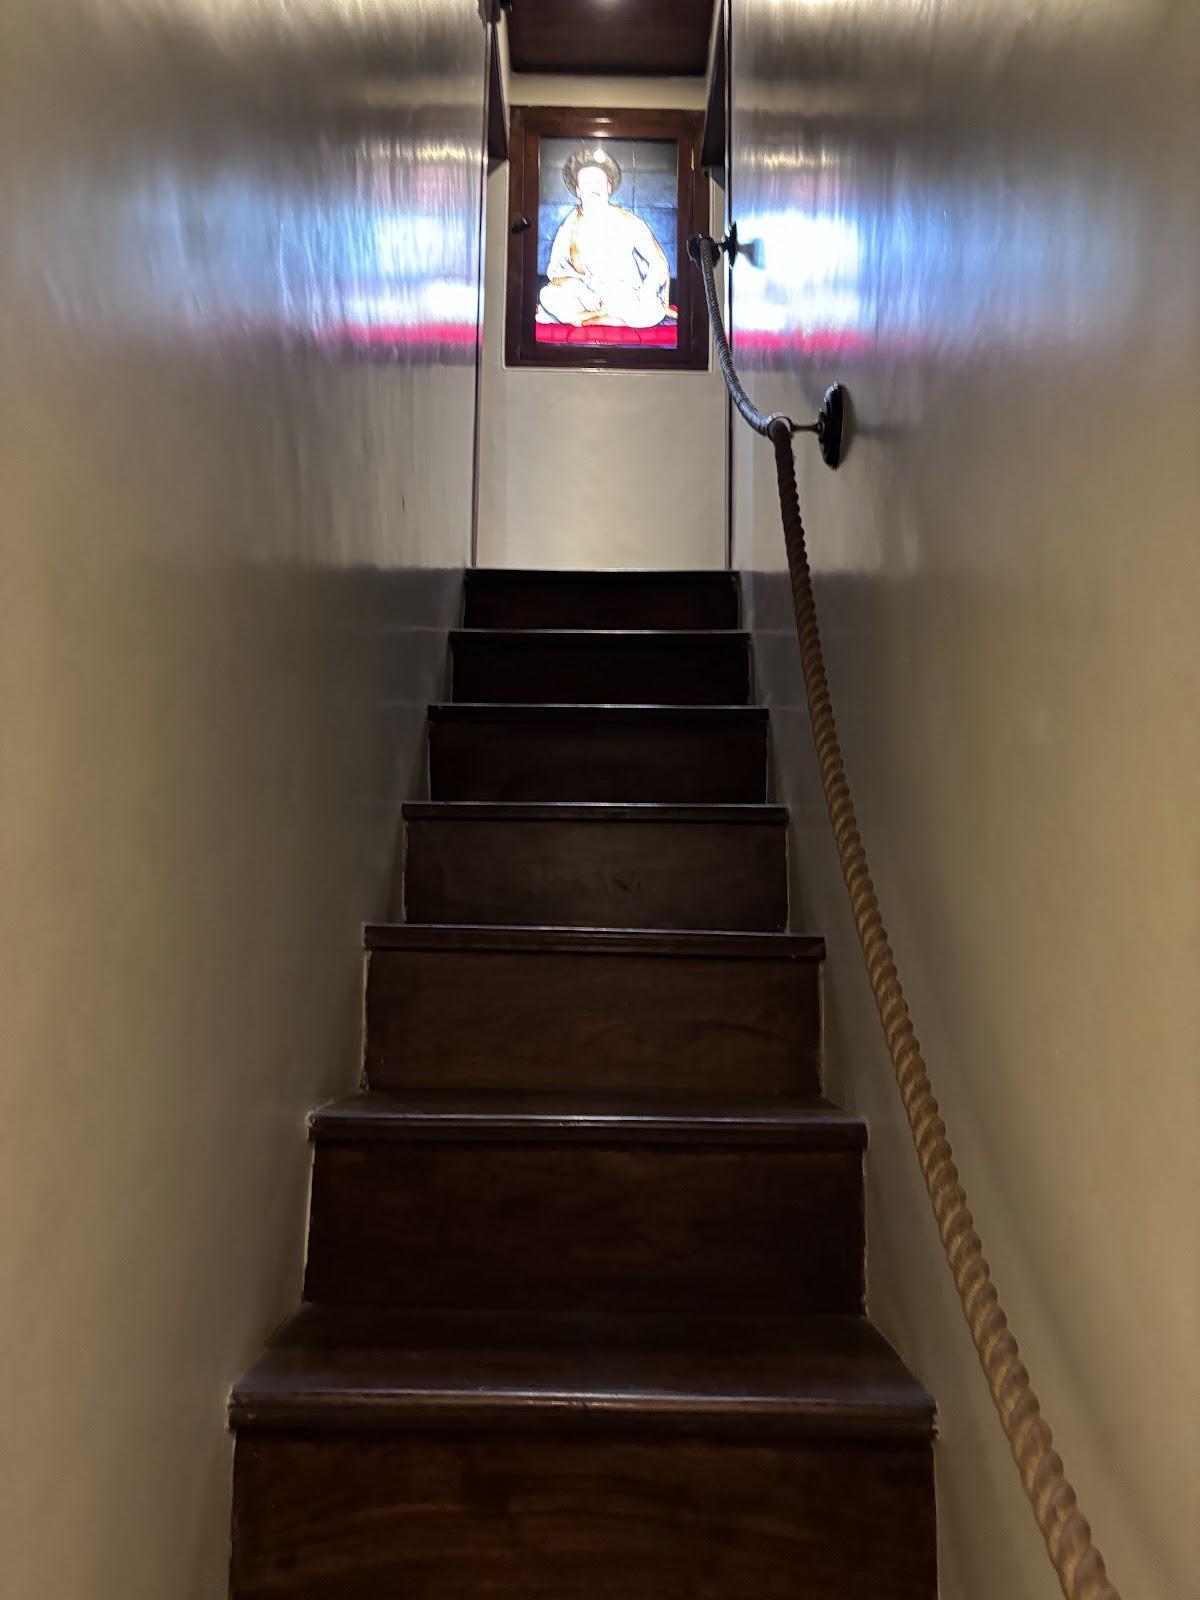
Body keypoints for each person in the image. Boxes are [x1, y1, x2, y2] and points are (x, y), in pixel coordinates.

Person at [537, 147, 673, 330]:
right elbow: (557, 272)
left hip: (627, 299)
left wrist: (647, 292)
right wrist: (584, 293)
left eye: (598, 181)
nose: (593, 187)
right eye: (586, 182)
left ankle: (591, 320)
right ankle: (600, 317)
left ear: (609, 187)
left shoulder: (629, 223)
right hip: (588, 300)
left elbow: (658, 263)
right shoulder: (569, 227)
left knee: (651, 309)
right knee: (548, 295)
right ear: (578, 191)